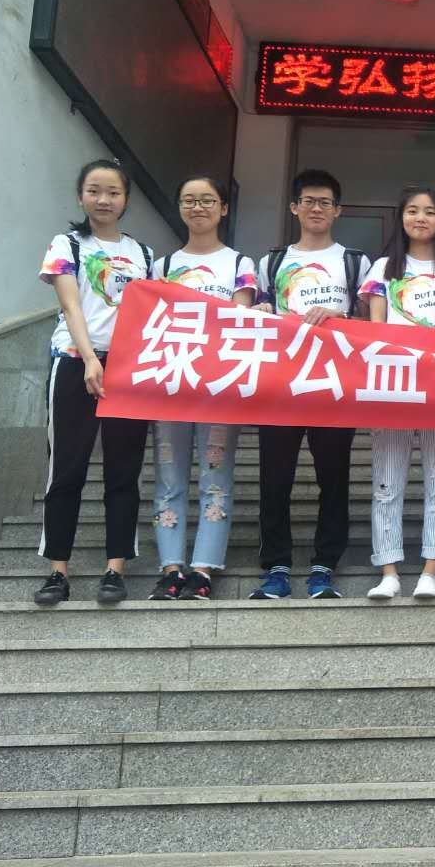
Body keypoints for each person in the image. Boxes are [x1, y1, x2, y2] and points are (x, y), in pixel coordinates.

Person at [35, 158, 154, 605]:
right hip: (74, 363)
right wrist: (89, 359)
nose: (103, 200)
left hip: (127, 371)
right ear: (80, 196)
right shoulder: (66, 244)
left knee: (124, 473)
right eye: (94, 191)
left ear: (126, 199)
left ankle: (115, 570)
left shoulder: (143, 255)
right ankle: (57, 573)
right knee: (66, 470)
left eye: (113, 192)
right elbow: (71, 306)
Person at [249, 169, 369, 600]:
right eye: (308, 201)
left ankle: (324, 566)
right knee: (274, 478)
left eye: (325, 202)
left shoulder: (355, 262)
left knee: (333, 478)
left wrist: (339, 318)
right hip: (281, 383)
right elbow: (258, 313)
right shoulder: (272, 262)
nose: (316, 209)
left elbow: (372, 324)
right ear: (294, 207)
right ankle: (276, 566)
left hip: (335, 383)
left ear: (338, 211)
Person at [359, 185, 435, 600]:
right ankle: (388, 571)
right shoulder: (382, 268)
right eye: (412, 210)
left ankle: (431, 571)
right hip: (393, 386)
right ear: (402, 218)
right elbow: (377, 327)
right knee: (386, 484)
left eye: (429, 211)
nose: (420, 218)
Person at [146, 175, 257, 601]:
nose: (198, 207)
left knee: (216, 478)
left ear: (223, 208)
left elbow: (238, 321)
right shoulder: (162, 267)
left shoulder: (240, 264)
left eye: (207, 200)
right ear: (179, 207)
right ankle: (171, 568)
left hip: (218, 387)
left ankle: (204, 568)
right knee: (168, 478)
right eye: (189, 200)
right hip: (170, 385)